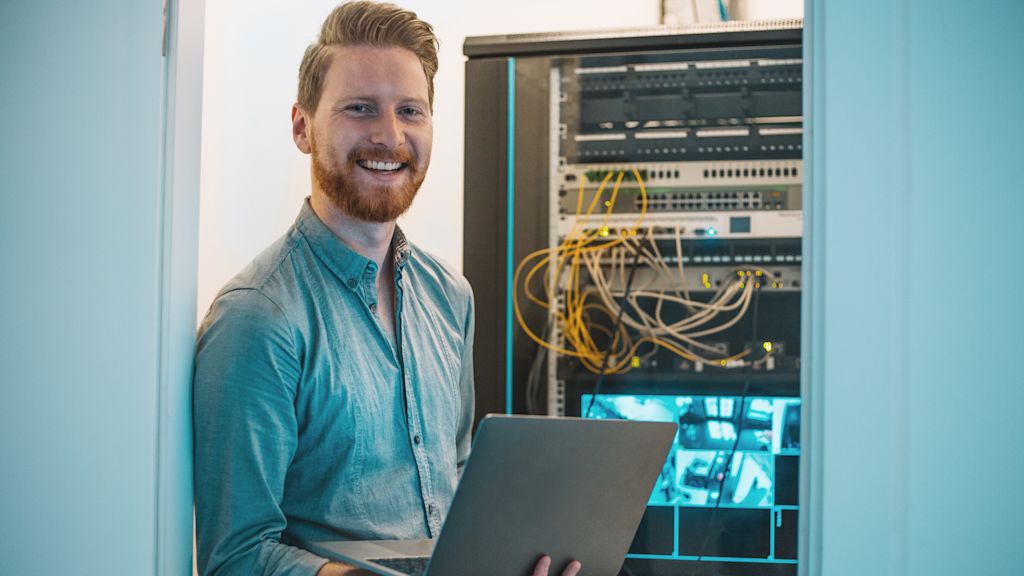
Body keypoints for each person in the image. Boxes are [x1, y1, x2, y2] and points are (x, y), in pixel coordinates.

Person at [192, 3, 583, 576]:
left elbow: (458, 490)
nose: (390, 135)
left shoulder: (450, 296)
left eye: (410, 111)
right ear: (302, 126)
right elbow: (235, 557)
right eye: (360, 108)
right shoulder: (259, 318)